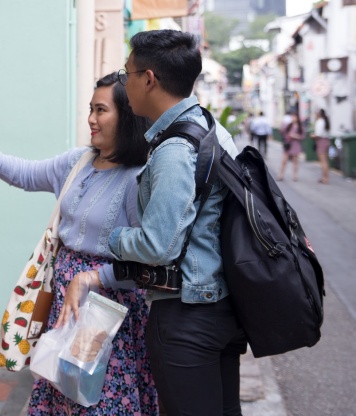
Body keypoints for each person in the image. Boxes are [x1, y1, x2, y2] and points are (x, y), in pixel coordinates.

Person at [0, 72, 159, 416]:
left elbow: (147, 262)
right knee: (61, 389)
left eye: (101, 110)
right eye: (90, 109)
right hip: (65, 303)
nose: (91, 119)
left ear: (125, 117)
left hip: (106, 314)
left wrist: (94, 278)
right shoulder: (79, 162)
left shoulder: (137, 178)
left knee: (96, 399)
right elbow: (27, 173)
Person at [108, 30, 247, 416]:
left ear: (148, 79)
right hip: (220, 305)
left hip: (187, 317)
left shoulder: (174, 149)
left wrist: (115, 238)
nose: (126, 83)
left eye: (127, 73)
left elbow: (158, 246)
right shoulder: (211, 128)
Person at [277, 112, 305, 181]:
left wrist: (295, 136)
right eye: (292, 117)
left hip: (295, 145)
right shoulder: (288, 125)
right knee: (284, 161)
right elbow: (282, 132)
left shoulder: (300, 127)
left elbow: (303, 136)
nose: (293, 118)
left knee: (295, 161)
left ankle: (295, 175)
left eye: (294, 117)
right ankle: (281, 175)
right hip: (288, 145)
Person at [313, 109, 331, 184]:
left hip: (321, 141)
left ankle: (325, 178)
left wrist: (312, 136)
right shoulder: (325, 121)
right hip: (326, 140)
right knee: (325, 160)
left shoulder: (320, 122)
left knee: (323, 161)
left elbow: (318, 135)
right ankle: (324, 177)